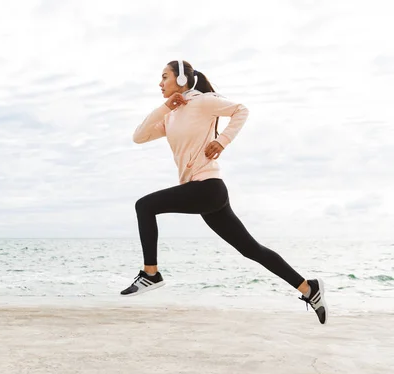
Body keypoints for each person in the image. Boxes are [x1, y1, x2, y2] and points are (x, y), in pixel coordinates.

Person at [120, 60, 328, 324]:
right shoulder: (170, 116)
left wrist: (222, 141)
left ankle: (151, 274)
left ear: (182, 80)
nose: (160, 83)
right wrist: (165, 107)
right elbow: (138, 136)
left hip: (207, 187)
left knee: (144, 205)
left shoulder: (202, 102)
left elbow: (241, 110)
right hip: (205, 194)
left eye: (164, 77)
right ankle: (309, 288)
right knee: (251, 249)